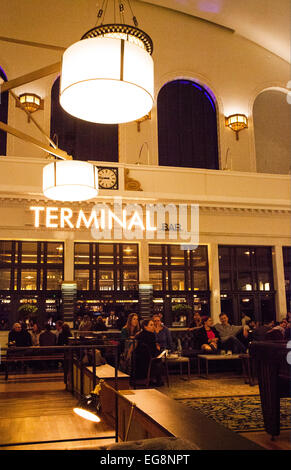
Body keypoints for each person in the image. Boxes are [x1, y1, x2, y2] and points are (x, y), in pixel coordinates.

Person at [133, 319, 163, 386]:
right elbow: (153, 350)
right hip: (148, 358)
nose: (153, 327)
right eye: (151, 325)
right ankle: (157, 380)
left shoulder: (139, 335)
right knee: (159, 358)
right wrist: (159, 350)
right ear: (145, 326)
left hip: (139, 358)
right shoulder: (151, 335)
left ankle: (152, 379)